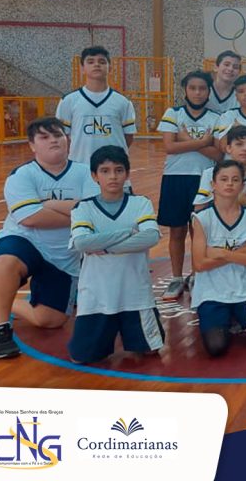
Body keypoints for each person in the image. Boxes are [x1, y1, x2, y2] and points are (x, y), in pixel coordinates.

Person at [0, 117, 100, 359]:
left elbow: (96, 211)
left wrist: (49, 204)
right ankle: (0, 328)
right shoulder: (21, 175)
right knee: (5, 262)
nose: (53, 141)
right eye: (44, 137)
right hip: (26, 240)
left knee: (50, 320)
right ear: (32, 146)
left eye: (57, 135)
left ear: (67, 139)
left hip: (64, 255)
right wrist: (77, 213)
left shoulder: (86, 173)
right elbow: (31, 218)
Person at [67, 146, 163, 364]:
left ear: (127, 174)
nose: (113, 176)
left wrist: (107, 247)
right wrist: (127, 232)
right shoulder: (83, 208)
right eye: (105, 171)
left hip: (135, 292)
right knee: (82, 357)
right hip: (97, 293)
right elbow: (82, 242)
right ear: (94, 176)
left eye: (119, 170)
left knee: (150, 352)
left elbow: (150, 237)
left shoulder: (141, 203)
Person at [191, 160, 246, 356]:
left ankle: (238, 315)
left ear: (242, 185)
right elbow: (199, 264)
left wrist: (222, 253)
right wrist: (243, 251)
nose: (229, 184)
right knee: (216, 347)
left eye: (235, 179)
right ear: (213, 184)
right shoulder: (201, 219)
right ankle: (228, 317)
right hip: (212, 292)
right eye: (223, 179)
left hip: (245, 290)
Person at [157, 71, 223, 301]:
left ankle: (197, 275)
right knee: (177, 230)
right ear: (184, 89)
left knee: (199, 231)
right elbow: (169, 147)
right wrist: (202, 142)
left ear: (208, 91)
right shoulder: (172, 113)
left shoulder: (216, 117)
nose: (197, 92)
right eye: (192, 88)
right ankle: (176, 278)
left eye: (202, 88)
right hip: (175, 178)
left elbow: (217, 153)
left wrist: (186, 140)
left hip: (204, 179)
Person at [56, 46, 136, 172]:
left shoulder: (123, 102)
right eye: (91, 61)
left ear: (110, 68)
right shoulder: (68, 101)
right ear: (82, 68)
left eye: (102, 61)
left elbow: (128, 137)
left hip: (113, 169)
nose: (97, 65)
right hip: (80, 168)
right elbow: (63, 136)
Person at [193, 125, 246, 221]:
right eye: (239, 144)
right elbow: (199, 211)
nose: (245, 149)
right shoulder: (210, 174)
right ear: (228, 148)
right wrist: (236, 201)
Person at [207, 50, 242, 114]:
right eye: (226, 65)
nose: (230, 69)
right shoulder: (204, 90)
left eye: (235, 67)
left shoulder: (241, 95)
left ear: (239, 72)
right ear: (216, 67)